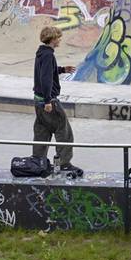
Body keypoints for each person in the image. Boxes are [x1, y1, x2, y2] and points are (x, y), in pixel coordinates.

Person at [33, 26, 81, 175]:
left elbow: (46, 71)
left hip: (38, 100)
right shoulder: (48, 55)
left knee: (42, 130)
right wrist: (48, 101)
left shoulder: (42, 53)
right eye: (58, 37)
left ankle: (38, 160)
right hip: (48, 101)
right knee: (64, 131)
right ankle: (64, 163)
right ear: (53, 39)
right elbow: (45, 78)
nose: (60, 40)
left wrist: (61, 69)